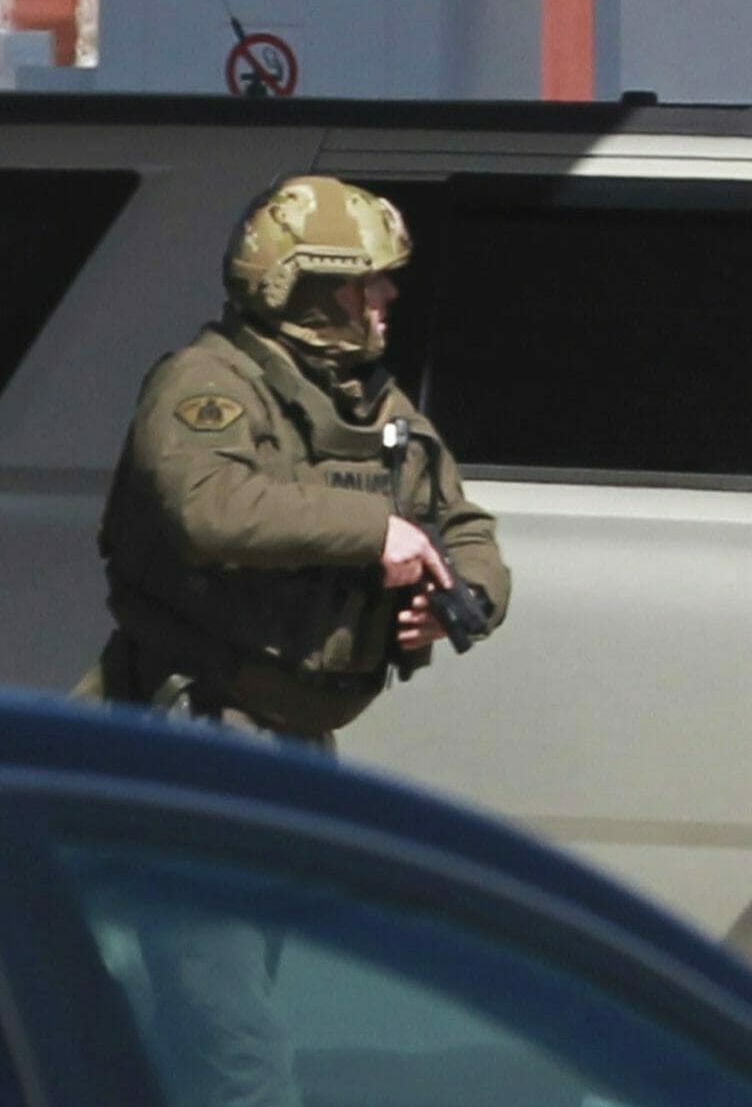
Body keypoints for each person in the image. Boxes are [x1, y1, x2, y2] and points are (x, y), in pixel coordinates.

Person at [94, 174, 509, 1107]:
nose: (387, 299)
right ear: (307, 288)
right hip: (195, 741)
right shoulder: (205, 386)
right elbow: (210, 510)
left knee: (229, 1019)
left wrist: (457, 597)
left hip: (293, 745)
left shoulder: (374, 406)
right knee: (234, 1046)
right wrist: (374, 534)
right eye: (368, 282)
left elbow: (468, 528)